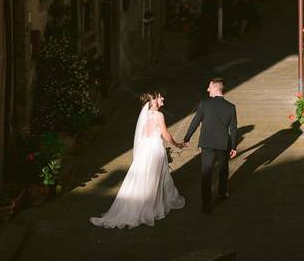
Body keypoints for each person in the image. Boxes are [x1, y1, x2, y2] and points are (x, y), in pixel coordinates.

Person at [90, 91, 186, 229]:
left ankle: (137, 207)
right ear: (153, 101)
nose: (162, 98)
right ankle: (148, 209)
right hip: (154, 150)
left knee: (142, 178)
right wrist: (178, 144)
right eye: (159, 97)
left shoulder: (144, 116)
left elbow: (142, 136)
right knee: (153, 179)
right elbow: (165, 134)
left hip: (144, 151)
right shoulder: (159, 115)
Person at [182, 77, 239, 214]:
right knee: (223, 169)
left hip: (207, 143)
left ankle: (206, 204)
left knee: (206, 173)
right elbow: (234, 129)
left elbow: (195, 122)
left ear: (215, 88)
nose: (207, 89)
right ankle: (222, 193)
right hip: (223, 143)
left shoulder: (204, 104)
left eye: (209, 87)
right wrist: (234, 147)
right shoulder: (231, 107)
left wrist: (187, 138)